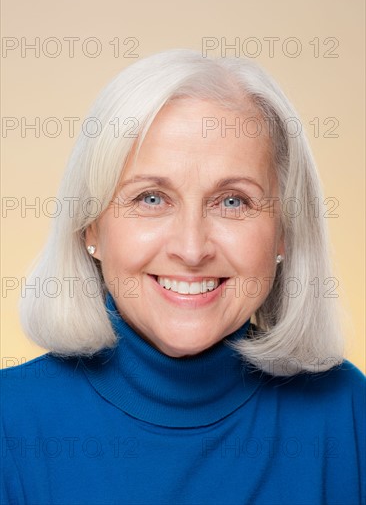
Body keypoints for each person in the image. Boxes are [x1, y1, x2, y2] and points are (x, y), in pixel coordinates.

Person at [1, 49, 365, 505]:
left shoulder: (349, 414)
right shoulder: (9, 425)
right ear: (91, 225)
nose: (192, 250)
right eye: (151, 198)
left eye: (233, 201)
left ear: (284, 232)